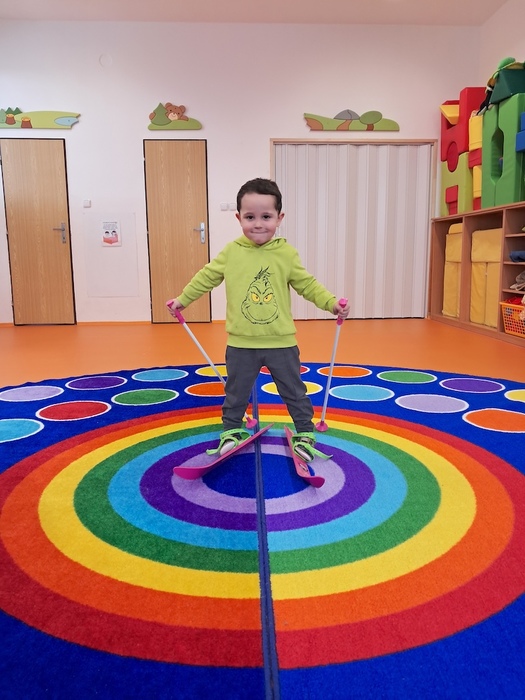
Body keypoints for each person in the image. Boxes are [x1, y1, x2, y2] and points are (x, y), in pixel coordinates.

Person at [167, 178, 349, 459]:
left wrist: (331, 303)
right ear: (239, 218)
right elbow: (206, 277)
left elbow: (307, 285)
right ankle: (231, 429)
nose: (258, 224)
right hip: (241, 343)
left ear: (279, 218)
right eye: (250, 217)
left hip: (281, 342)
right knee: (235, 392)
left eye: (266, 217)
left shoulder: (286, 254)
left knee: (294, 391)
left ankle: (305, 430)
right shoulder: (231, 252)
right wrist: (182, 300)